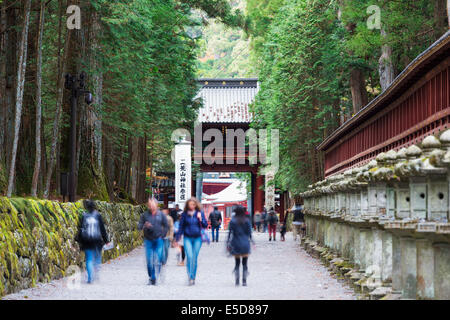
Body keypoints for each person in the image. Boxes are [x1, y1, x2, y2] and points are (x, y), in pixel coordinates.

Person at [175, 197, 208, 286]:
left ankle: (193, 277)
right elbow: (181, 226)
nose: (192, 206)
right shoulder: (185, 214)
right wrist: (177, 238)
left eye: (193, 204)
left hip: (198, 238)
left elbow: (205, 225)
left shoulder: (200, 213)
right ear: (187, 205)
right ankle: (189, 276)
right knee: (189, 256)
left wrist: (201, 219)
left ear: (196, 205)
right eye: (190, 204)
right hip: (187, 238)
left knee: (194, 258)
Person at [76, 200, 110, 284]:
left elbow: (80, 228)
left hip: (86, 241)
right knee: (97, 257)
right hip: (97, 241)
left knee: (89, 259)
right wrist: (106, 240)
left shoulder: (84, 215)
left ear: (86, 207)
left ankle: (90, 277)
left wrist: (79, 240)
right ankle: (96, 271)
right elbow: (102, 229)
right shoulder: (98, 215)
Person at [138, 198, 168, 285]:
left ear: (156, 205)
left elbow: (166, 225)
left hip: (158, 239)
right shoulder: (144, 215)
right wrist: (144, 225)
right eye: (150, 205)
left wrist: (163, 235)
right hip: (148, 240)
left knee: (157, 259)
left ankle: (155, 276)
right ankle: (152, 277)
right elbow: (139, 226)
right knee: (149, 261)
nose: (151, 206)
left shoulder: (161, 215)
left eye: (153, 204)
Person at [226, 205, 253, 286]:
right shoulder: (247, 221)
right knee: (245, 263)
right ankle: (244, 281)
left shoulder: (232, 221)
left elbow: (230, 233)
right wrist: (252, 242)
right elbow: (249, 233)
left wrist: (228, 243)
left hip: (236, 243)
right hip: (245, 243)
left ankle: (237, 280)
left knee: (237, 263)